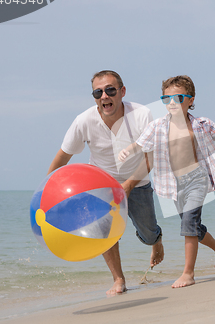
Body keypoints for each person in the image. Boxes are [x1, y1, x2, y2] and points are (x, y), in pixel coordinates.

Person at [119, 75, 215, 288]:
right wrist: (128, 150)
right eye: (167, 99)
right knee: (193, 227)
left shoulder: (201, 124)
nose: (172, 103)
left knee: (188, 223)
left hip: (197, 180)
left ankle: (188, 273)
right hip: (175, 184)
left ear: (190, 100)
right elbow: (141, 142)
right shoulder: (158, 126)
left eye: (178, 98)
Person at [48, 70, 164, 295]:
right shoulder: (84, 120)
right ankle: (118, 279)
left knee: (147, 232)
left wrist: (129, 185)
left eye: (110, 90)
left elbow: (153, 157)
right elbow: (63, 155)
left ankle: (156, 241)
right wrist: (47, 186)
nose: (104, 96)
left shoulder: (141, 115)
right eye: (98, 92)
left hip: (137, 181)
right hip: (101, 184)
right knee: (104, 231)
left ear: (122, 92)